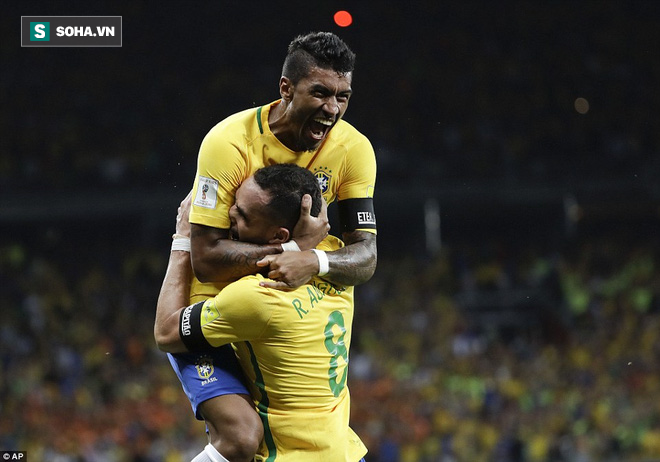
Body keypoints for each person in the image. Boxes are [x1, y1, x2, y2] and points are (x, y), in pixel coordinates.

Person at [165, 31, 377, 460]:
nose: (332, 109)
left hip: (275, 308)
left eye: (343, 96)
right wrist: (294, 252)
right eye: (319, 93)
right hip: (214, 310)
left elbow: (366, 255)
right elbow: (205, 259)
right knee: (242, 438)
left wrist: (313, 260)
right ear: (286, 88)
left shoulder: (353, 150)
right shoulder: (228, 143)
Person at [155, 164, 368, 461]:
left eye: (242, 214)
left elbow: (166, 332)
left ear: (278, 236)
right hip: (345, 452)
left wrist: (182, 240)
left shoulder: (259, 296)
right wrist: (295, 247)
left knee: (237, 438)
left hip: (286, 456)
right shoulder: (337, 258)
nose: (229, 214)